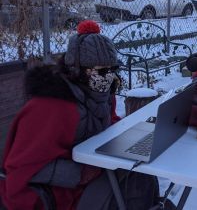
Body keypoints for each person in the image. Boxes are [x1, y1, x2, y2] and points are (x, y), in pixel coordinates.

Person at [0, 20, 158, 209]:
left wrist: (129, 137)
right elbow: (20, 167)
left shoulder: (102, 92)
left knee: (139, 181)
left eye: (114, 69)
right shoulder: (50, 107)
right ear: (78, 71)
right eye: (102, 71)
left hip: (95, 173)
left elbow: (108, 125)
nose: (109, 77)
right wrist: (81, 173)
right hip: (51, 191)